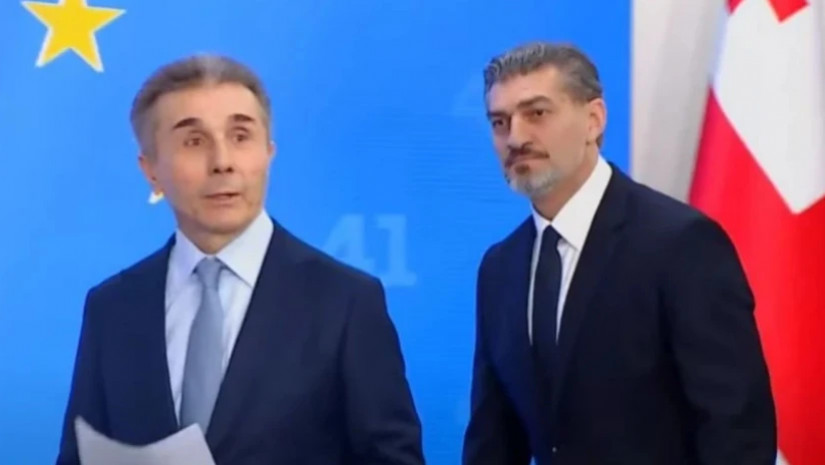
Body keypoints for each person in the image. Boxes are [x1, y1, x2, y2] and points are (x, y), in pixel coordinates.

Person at [55, 54, 425, 465]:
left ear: (268, 152)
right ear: (151, 170)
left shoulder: (346, 302)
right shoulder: (113, 307)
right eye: (194, 141)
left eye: (240, 136)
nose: (222, 162)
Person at [462, 41, 776, 465]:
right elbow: (493, 437)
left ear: (594, 120)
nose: (515, 138)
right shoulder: (500, 267)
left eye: (536, 113)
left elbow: (736, 431)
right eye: (500, 122)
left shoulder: (681, 244)